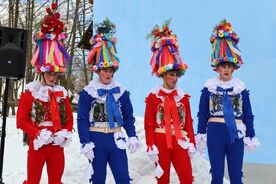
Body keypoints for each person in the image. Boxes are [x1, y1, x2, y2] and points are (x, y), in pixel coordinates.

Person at [196, 19, 261, 184]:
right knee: (216, 176)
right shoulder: (209, 87)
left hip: (236, 133)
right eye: (223, 66)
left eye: (229, 66)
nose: (226, 69)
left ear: (234, 68)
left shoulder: (240, 88)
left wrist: (251, 135)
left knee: (236, 176)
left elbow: (248, 114)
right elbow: (202, 113)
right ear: (217, 67)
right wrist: (201, 133)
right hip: (215, 131)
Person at [77, 18, 140, 184]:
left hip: (116, 139)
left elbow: (128, 116)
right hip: (96, 139)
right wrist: (85, 142)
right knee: (97, 180)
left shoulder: (121, 92)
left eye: (111, 70)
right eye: (105, 70)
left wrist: (132, 135)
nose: (108, 74)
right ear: (98, 70)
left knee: (123, 179)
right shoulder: (88, 93)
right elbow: (82, 119)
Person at [16, 3, 73, 184]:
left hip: (56, 144)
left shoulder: (61, 93)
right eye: (49, 72)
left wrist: (64, 133)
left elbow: (69, 119)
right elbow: (21, 120)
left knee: (56, 181)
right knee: (33, 181)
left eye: (56, 73)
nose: (53, 77)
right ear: (41, 71)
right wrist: (38, 133)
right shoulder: (30, 92)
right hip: (38, 143)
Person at [144, 19, 196, 184]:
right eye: (170, 74)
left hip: (180, 140)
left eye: (175, 75)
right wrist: (151, 144)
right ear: (163, 75)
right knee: (163, 179)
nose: (174, 78)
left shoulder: (183, 97)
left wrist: (192, 142)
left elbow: (188, 121)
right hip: (161, 141)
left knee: (187, 178)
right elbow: (149, 123)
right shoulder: (154, 96)